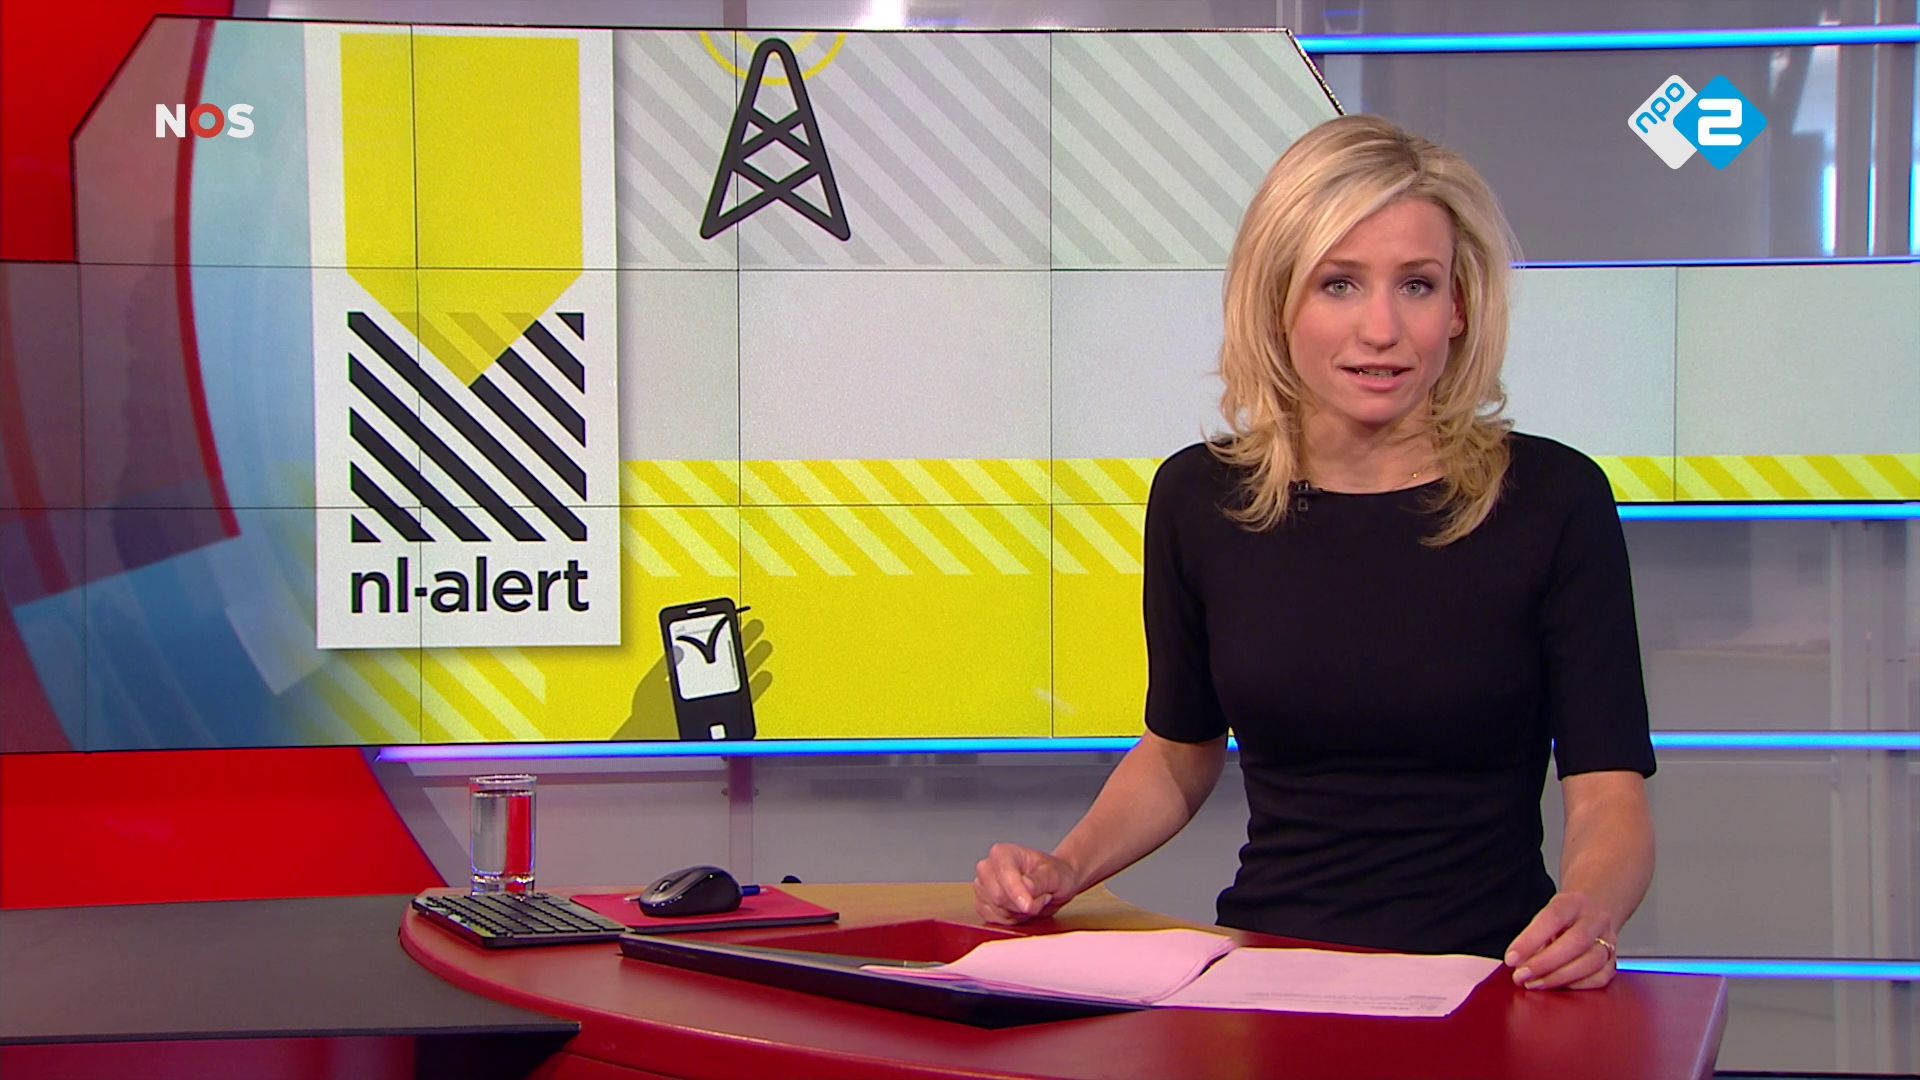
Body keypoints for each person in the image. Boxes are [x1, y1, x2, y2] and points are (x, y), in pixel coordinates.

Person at [973, 115, 1656, 993]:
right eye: (1340, 284)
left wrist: (1590, 911)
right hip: (1266, 978)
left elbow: (1607, 791)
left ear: (1459, 307)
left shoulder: (1555, 500)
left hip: (1490, 979)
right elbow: (1179, 752)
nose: (1382, 328)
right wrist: (1066, 868)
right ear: (1278, 302)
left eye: (1417, 285)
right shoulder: (1199, 499)